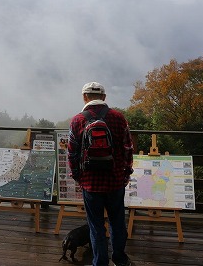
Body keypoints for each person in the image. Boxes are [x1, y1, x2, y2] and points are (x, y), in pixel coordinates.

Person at [68, 82, 134, 266]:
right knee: (117, 223)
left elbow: (72, 153)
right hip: (115, 181)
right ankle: (120, 259)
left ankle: (100, 262)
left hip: (90, 183)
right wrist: (126, 173)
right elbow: (128, 148)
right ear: (104, 97)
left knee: (96, 226)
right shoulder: (119, 118)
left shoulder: (77, 120)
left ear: (84, 97)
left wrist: (77, 177)